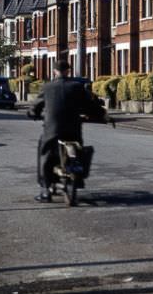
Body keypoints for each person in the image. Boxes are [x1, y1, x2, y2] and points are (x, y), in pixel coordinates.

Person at [28, 60, 106, 202]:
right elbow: (90, 105)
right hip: (73, 129)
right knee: (79, 148)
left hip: (53, 129)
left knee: (44, 152)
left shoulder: (47, 87)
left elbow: (35, 107)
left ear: (54, 72)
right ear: (68, 71)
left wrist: (32, 113)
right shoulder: (77, 86)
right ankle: (79, 177)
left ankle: (45, 191)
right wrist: (102, 115)